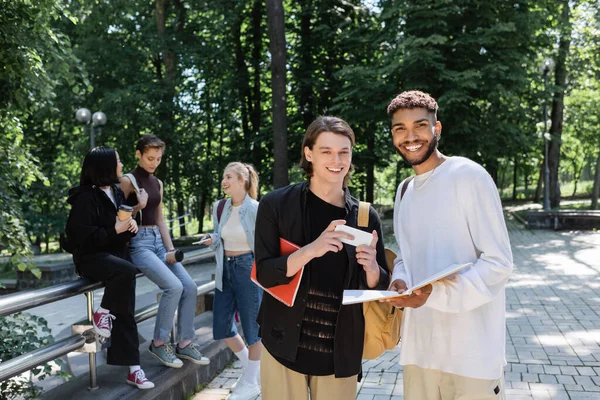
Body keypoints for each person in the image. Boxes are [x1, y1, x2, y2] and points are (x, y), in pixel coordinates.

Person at [384, 90, 513, 399]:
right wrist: (399, 278)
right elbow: (407, 256)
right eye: (400, 129)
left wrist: (433, 295)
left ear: (437, 129)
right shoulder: (404, 191)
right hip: (420, 351)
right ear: (392, 135)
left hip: (472, 353)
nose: (410, 136)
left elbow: (499, 263)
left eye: (420, 125)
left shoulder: (469, 176)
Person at [254, 116, 390, 400]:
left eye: (344, 151)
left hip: (339, 354)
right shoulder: (276, 205)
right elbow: (265, 274)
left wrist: (373, 270)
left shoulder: (365, 217)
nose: (336, 160)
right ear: (308, 153)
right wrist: (310, 250)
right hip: (283, 345)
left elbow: (380, 288)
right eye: (326, 151)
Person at [65, 146, 154, 389]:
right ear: (105, 166)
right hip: (91, 258)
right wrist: (114, 230)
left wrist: (130, 225)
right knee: (125, 272)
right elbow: (77, 238)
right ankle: (102, 313)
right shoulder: (84, 197)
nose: (122, 165)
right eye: (117, 161)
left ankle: (134, 370)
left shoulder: (116, 191)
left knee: (126, 310)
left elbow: (120, 223)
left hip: (116, 256)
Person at [120, 134, 209, 368]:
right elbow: (116, 218)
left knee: (190, 286)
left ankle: (184, 343)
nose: (154, 163)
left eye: (158, 159)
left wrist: (170, 249)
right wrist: (137, 205)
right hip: (139, 243)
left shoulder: (157, 183)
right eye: (150, 158)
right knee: (173, 286)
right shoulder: (127, 181)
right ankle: (159, 343)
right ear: (138, 154)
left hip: (159, 242)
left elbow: (160, 219)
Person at [199, 162, 262, 400]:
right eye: (223, 177)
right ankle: (251, 372)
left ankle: (249, 381)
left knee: (252, 329)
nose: (224, 181)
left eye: (229, 177)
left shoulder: (255, 208)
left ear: (242, 181)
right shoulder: (220, 207)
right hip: (224, 268)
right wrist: (211, 239)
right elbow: (220, 237)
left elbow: (264, 242)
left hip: (248, 268)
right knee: (223, 326)